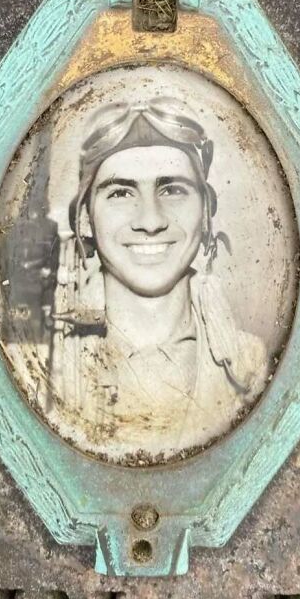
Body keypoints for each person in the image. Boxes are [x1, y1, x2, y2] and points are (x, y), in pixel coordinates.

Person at [30, 97, 270, 462]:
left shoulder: (249, 364)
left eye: (172, 190)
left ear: (206, 212)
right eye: (121, 193)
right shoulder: (42, 367)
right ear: (84, 220)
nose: (151, 220)